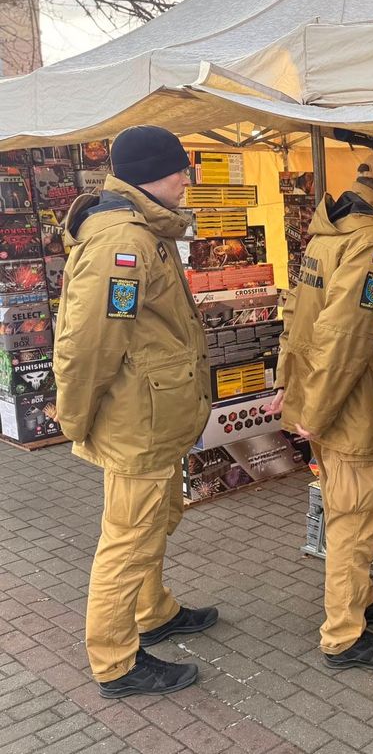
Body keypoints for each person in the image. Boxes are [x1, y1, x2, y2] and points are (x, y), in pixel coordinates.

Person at [54, 126, 217, 697]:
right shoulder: (122, 242)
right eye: (179, 169)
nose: (185, 179)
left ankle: (154, 612)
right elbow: (87, 343)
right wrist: (73, 418)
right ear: (153, 173)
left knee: (155, 522)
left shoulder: (144, 231)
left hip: (155, 418)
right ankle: (116, 661)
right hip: (137, 424)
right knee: (127, 542)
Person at [271, 149, 373, 670]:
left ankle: (359, 600)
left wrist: (291, 388)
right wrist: (314, 407)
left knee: (353, 511)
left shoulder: (328, 232)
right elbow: (345, 337)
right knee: (354, 519)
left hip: (327, 397)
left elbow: (297, 316)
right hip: (349, 403)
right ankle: (344, 633)